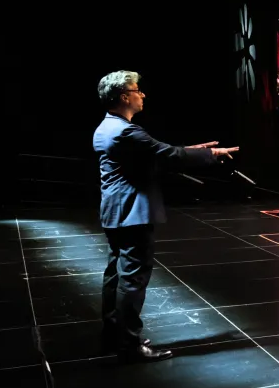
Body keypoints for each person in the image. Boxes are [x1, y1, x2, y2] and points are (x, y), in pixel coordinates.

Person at [93, 71, 237, 361]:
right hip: (132, 213)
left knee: (115, 276)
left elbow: (156, 157)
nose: (142, 94)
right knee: (132, 280)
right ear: (124, 96)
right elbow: (166, 154)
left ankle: (115, 335)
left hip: (115, 212)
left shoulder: (106, 128)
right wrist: (212, 154)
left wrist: (191, 151)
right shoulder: (126, 131)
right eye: (137, 90)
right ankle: (129, 345)